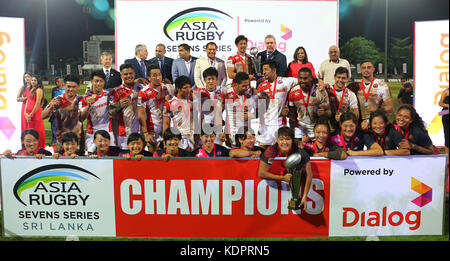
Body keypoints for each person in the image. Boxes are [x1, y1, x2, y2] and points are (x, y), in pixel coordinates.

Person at [257, 126, 313, 210]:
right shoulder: (271, 151)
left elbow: (309, 174)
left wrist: (305, 196)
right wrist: (282, 178)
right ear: (277, 140)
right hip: (273, 191)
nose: (284, 142)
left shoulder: (299, 152)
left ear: (292, 140)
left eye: (287, 139)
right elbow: (261, 173)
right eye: (281, 139)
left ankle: (295, 198)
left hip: (292, 189)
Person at [256, 60, 299, 148]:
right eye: (263, 70)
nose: (263, 72)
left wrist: (320, 82)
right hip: (265, 125)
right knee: (262, 153)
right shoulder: (261, 86)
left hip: (280, 124)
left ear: (274, 70)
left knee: (281, 153)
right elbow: (259, 109)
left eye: (266, 69)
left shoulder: (286, 81)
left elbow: (303, 80)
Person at [138, 64, 175, 152]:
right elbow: (141, 115)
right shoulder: (143, 92)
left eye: (159, 74)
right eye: (154, 75)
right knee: (152, 158)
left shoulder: (169, 88)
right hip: (152, 131)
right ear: (149, 78)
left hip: (167, 129)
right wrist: (146, 134)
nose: (158, 77)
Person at [288, 67, 330, 144]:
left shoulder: (320, 91)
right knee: (298, 149)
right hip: (300, 127)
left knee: (315, 152)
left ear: (311, 78)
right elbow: (292, 111)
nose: (302, 81)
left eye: (305, 78)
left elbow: (329, 112)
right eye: (300, 78)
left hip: (316, 127)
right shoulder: (293, 91)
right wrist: (288, 113)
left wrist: (323, 114)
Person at [42, 74, 83, 152]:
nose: (71, 89)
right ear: (64, 86)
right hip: (62, 142)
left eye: (74, 87)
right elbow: (42, 116)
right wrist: (51, 107)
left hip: (77, 142)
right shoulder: (58, 99)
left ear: (78, 86)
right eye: (68, 86)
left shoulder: (81, 100)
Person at [217, 72, 257, 147]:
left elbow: (262, 110)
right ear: (236, 84)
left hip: (246, 135)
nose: (247, 88)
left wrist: (253, 115)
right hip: (231, 133)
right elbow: (218, 113)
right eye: (243, 86)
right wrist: (220, 131)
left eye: (248, 85)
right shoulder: (226, 94)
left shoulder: (252, 92)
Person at [109, 63, 143, 149]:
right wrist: (119, 106)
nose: (129, 76)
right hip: (124, 134)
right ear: (121, 76)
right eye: (126, 74)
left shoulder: (142, 88)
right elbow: (110, 114)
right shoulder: (116, 91)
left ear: (134, 74)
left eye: (131, 73)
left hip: (141, 132)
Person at [79, 70, 115, 153]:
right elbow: (81, 118)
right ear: (91, 82)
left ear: (104, 82)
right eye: (96, 81)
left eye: (101, 81)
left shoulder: (109, 94)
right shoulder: (85, 98)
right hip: (92, 133)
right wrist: (88, 106)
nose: (98, 84)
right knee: (91, 156)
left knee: (109, 156)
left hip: (108, 131)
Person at [357, 60, 394, 130]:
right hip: (359, 122)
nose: (366, 70)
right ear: (360, 70)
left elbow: (390, 108)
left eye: (369, 67)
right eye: (364, 68)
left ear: (373, 69)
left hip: (376, 121)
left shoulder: (381, 85)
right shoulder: (356, 85)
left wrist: (377, 110)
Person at [163, 75, 195, 151]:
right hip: (177, 138)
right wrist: (165, 140)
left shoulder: (193, 102)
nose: (188, 90)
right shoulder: (170, 103)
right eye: (185, 88)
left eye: (189, 87)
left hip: (192, 138)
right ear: (178, 89)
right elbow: (166, 123)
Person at [193, 67, 225, 138]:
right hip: (203, 126)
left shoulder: (223, 90)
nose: (211, 81)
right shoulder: (199, 91)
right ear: (204, 80)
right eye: (208, 79)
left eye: (213, 79)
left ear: (217, 80)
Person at [326, 66, 359, 131]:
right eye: (338, 77)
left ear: (347, 79)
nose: (340, 80)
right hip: (328, 127)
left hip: (344, 128)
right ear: (334, 77)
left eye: (343, 78)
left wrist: (344, 116)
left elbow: (356, 115)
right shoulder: (327, 90)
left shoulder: (351, 94)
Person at [23, 75, 46, 149]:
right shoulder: (30, 89)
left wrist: (31, 114)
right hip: (29, 113)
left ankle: (40, 147)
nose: (33, 81)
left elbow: (37, 103)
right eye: (32, 80)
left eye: (35, 80)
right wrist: (25, 112)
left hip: (36, 114)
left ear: (38, 81)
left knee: (37, 130)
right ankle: (31, 147)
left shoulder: (39, 90)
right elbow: (27, 101)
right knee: (30, 131)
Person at [49, 77, 65, 145]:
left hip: (62, 110)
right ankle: (54, 139)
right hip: (55, 109)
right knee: (54, 125)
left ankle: (62, 140)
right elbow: (52, 98)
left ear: (62, 82)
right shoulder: (54, 89)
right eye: (56, 82)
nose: (57, 83)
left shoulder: (65, 89)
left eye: (58, 81)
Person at [438, 87, 449, 154]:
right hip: (446, 115)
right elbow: (440, 103)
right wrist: (447, 105)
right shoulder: (446, 91)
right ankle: (447, 159)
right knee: (447, 136)